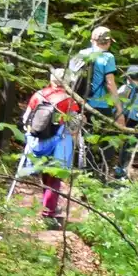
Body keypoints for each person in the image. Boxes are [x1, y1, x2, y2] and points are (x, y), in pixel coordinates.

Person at [21, 67, 83, 227]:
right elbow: (73, 126)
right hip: (58, 143)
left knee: (45, 173)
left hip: (38, 141)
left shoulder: (38, 95)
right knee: (54, 177)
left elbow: (26, 119)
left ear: (51, 79)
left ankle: (48, 206)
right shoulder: (68, 99)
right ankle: (49, 213)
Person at [75, 25, 121, 122]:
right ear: (108, 42)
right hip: (99, 105)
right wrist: (119, 109)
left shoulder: (82, 53)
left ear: (92, 41)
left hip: (79, 102)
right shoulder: (108, 57)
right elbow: (110, 84)